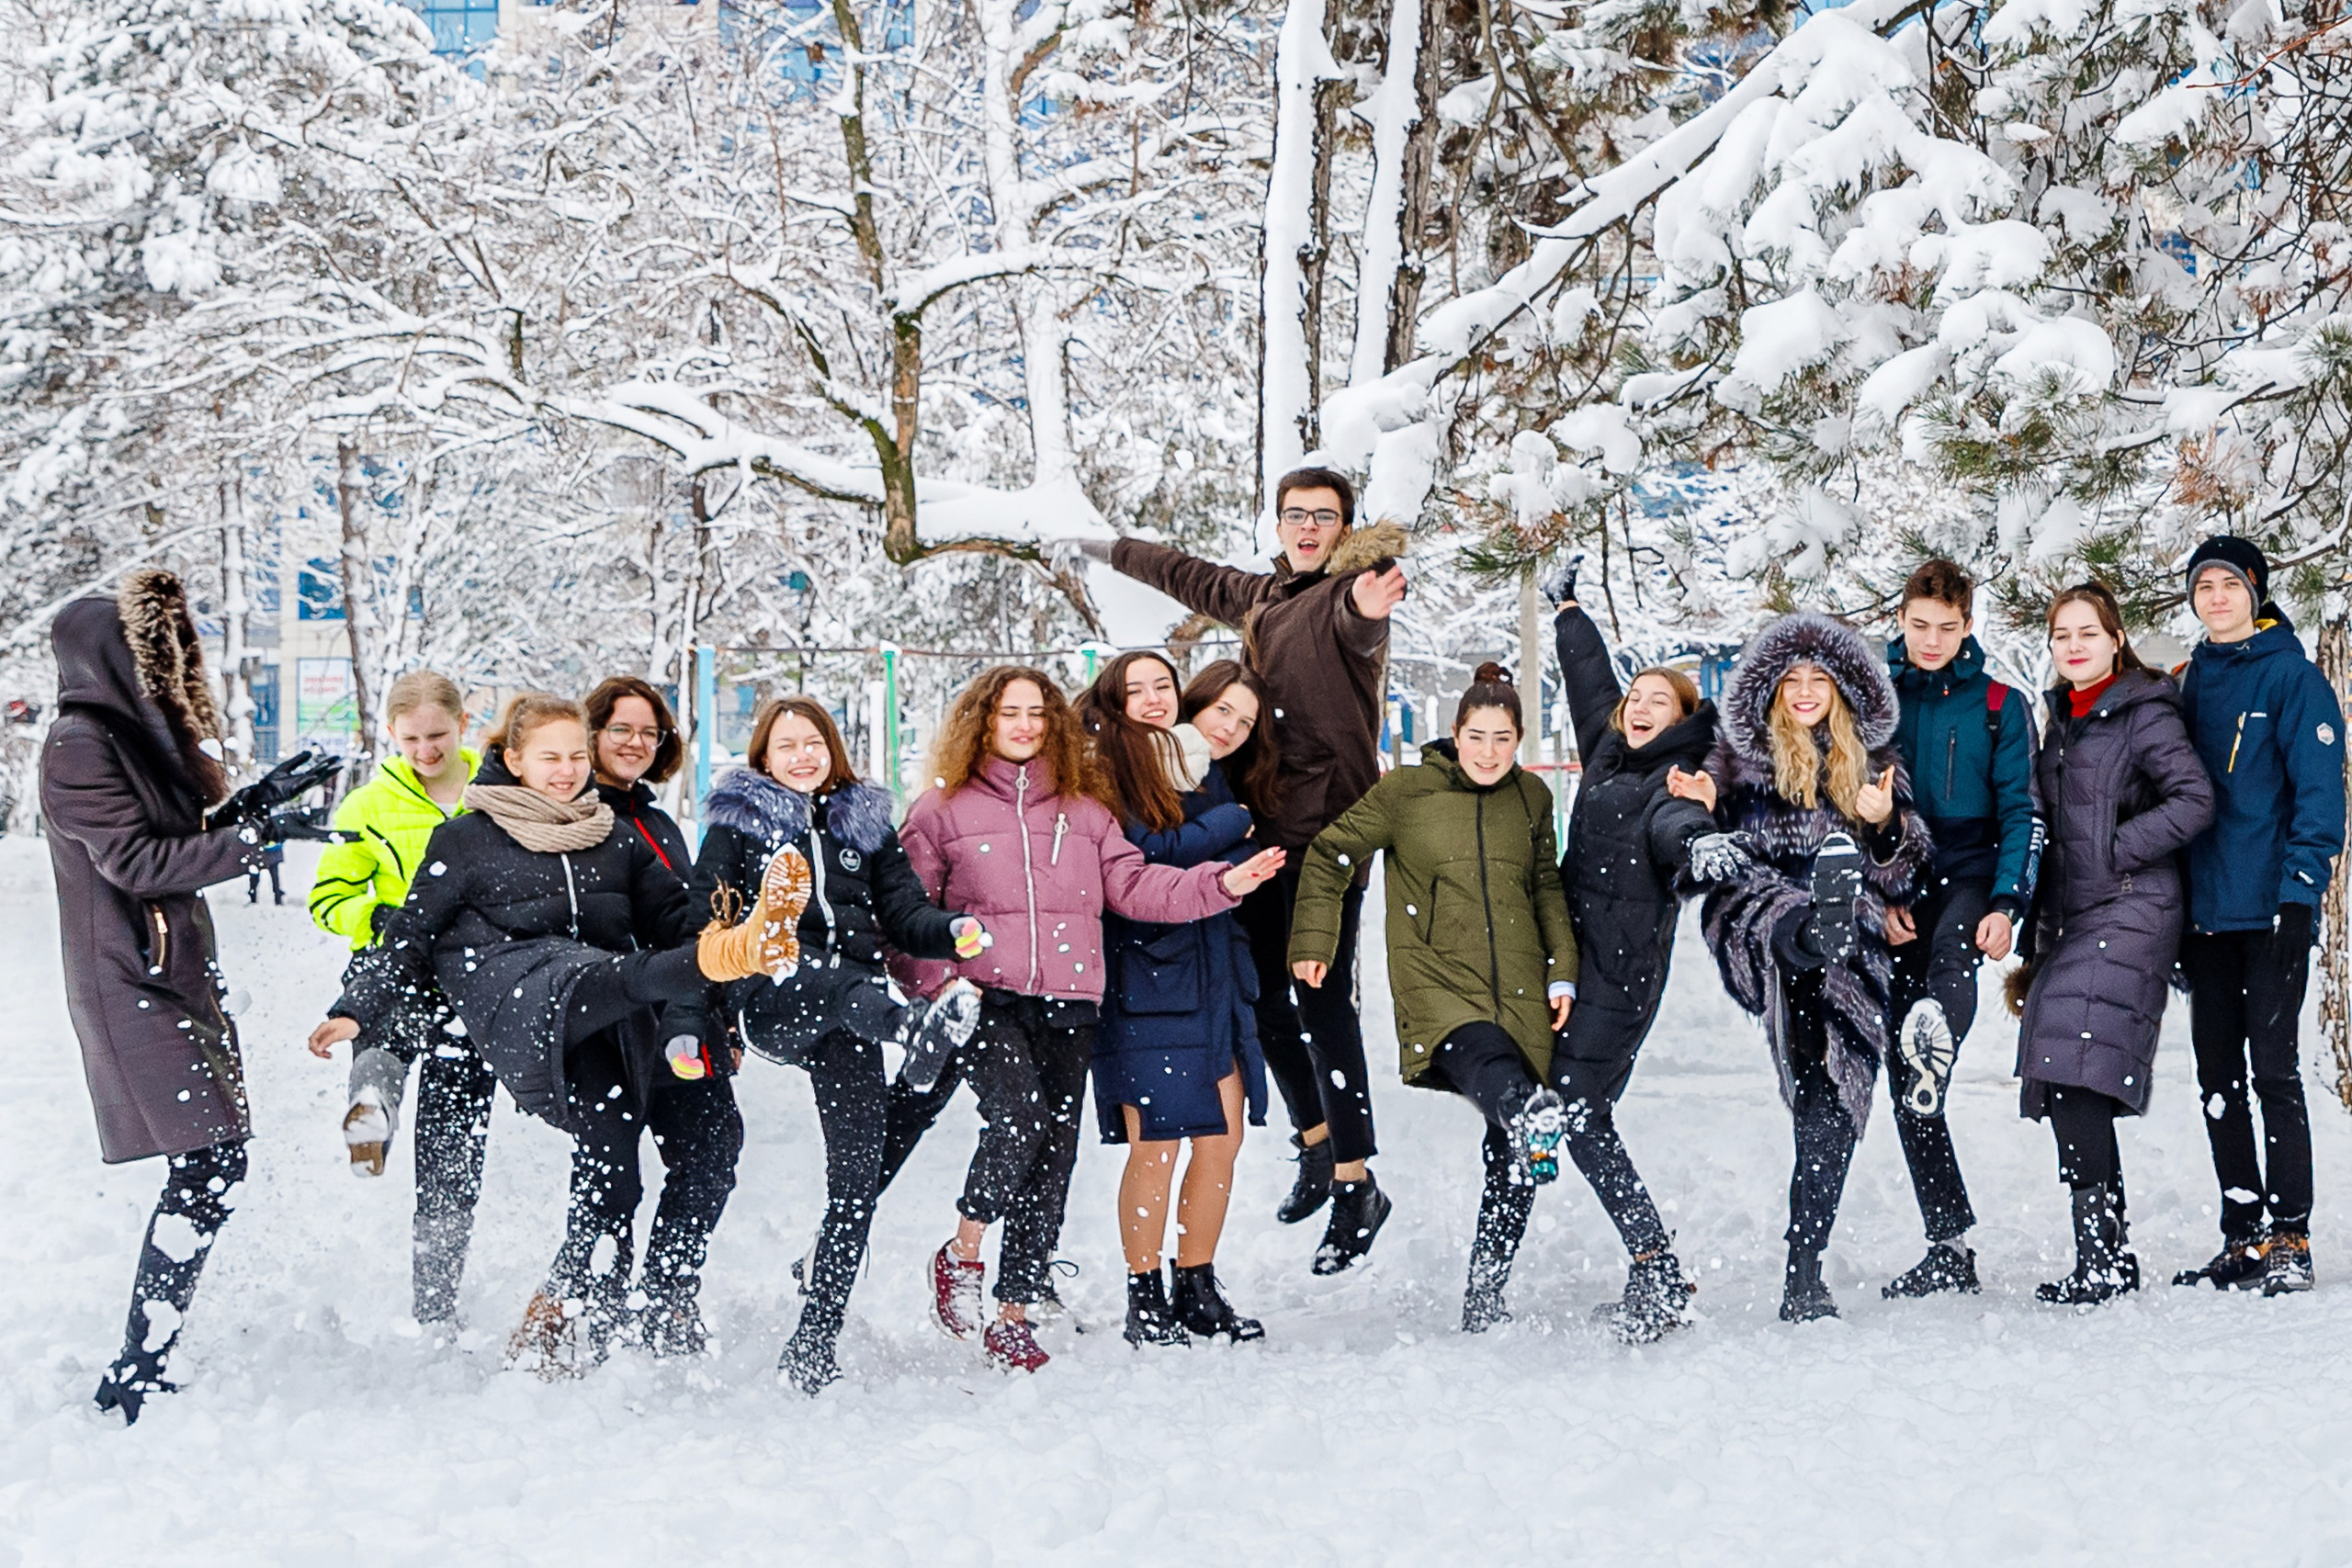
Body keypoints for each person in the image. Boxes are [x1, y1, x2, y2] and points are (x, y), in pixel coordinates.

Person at [309, 693, 804, 1373]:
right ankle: (735, 948)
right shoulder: (467, 839)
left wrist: (720, 996)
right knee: (600, 972)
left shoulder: (615, 836)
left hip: (608, 1013)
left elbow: (673, 919)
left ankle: (586, 1306)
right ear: (513, 760)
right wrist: (358, 1007)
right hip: (524, 1003)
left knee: (641, 1158)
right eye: (550, 757)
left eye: (576, 757)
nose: (568, 770)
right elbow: (410, 939)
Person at [875, 666, 1283, 1372]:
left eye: (1037, 712)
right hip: (983, 996)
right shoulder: (942, 809)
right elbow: (907, 917)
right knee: (1019, 1123)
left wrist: (1220, 881)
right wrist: (937, 988)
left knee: (1053, 1155)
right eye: (1010, 714)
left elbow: (1134, 885)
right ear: (983, 721)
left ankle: (1012, 1314)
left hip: (1069, 997)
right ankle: (963, 1251)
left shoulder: (1084, 809)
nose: (1026, 725)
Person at [1057, 467, 1409, 1268]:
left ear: (1346, 528)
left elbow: (1360, 619)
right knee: (1264, 1005)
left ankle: (1358, 1181)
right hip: (1262, 844)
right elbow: (1186, 575)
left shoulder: (1340, 599)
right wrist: (1105, 546)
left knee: (1320, 1004)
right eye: (1296, 514)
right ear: (1279, 524)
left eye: (1325, 516)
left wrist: (1368, 600)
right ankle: (1319, 1139)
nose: (1309, 526)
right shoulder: (1266, 599)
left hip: (1326, 843)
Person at [41, 571, 338, 1422]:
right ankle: (135, 1371)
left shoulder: (125, 739)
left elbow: (173, 837)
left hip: (166, 971)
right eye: (149, 652)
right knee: (209, 1163)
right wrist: (254, 840)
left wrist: (256, 804)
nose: (166, 665)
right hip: (128, 980)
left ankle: (146, 1358)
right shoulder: (76, 743)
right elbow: (133, 864)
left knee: (211, 1163)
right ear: (111, 659)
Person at [684, 695, 987, 1393]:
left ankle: (817, 1333)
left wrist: (951, 933)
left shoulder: (864, 826)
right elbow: (705, 915)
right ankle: (914, 1029)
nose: (801, 756)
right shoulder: (738, 827)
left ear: (833, 749)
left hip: (853, 1013)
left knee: (855, 1182)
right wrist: (709, 1019)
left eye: (812, 742)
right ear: (762, 758)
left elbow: (905, 913)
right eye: (785, 745)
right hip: (771, 992)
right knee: (823, 972)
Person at [1290, 663, 1578, 1330]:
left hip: (1520, 982)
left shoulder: (1532, 800)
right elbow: (1333, 851)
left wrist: (1562, 969)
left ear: (1519, 739)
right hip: (1436, 976)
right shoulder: (1408, 792)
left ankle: (1487, 1289)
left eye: (1503, 738)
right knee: (1489, 1065)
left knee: (1509, 1151)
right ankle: (1525, 1109)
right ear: (1455, 734)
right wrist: (1315, 938)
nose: (1488, 751)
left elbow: (1545, 888)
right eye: (1477, 736)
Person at [1677, 614, 1932, 1323]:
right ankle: (1810, 923)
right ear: (1773, 688)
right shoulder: (1737, 754)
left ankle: (1804, 1267)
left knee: (1832, 1102)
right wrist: (1700, 810)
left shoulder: (1873, 758)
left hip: (1851, 938)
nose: (1806, 690)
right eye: (1792, 679)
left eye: (1820, 678)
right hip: (1760, 918)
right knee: (1785, 918)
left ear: (1843, 687)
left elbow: (1909, 868)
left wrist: (1881, 827)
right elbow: (1698, 843)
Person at [2013, 584, 2214, 1304]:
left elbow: (2194, 798)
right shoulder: (2060, 721)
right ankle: (2106, 1253)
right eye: (2062, 634)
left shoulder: (2141, 709)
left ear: (2116, 638)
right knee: (2071, 1069)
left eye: (2088, 634)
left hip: (2135, 903)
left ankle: (2101, 1259)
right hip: (2078, 912)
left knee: (2074, 1063)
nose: (2074, 646)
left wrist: (2119, 845)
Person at [1541, 557, 1716, 1340]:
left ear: (1681, 717)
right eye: (1635, 699)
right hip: (1573, 965)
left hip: (1621, 975)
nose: (1640, 707)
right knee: (1572, 1115)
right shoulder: (1611, 751)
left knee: (1579, 1116)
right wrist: (1568, 610)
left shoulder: (1676, 776)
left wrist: (1702, 845)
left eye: (1658, 700)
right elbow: (1588, 680)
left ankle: (1657, 1266)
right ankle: (1653, 1264)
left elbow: (1679, 831)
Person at [1082, 654, 1273, 1347]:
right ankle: (1144, 1294)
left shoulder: (1198, 761)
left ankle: (1196, 1281)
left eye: (1162, 685)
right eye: (1136, 689)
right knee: (1156, 1144)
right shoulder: (1106, 768)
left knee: (1224, 1136)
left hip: (1216, 969)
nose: (1153, 698)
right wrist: (1231, 823)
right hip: (1147, 977)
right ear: (1114, 699)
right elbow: (1147, 854)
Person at [2173, 538, 2346, 1294]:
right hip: (2203, 914)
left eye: (2228, 584)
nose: (2215, 597)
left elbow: (2320, 796)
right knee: (2216, 1076)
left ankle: (2291, 1235)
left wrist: (2300, 894)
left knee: (2273, 1071)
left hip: (2271, 911)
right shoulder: (2188, 682)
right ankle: (2242, 1234)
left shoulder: (2294, 679)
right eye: (2203, 586)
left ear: (2256, 590)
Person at [304, 670, 497, 1328]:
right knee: (384, 1031)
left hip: (473, 975)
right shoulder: (365, 807)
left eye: (438, 735)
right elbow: (327, 899)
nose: (426, 749)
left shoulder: (493, 793)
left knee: (453, 1147)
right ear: (391, 734)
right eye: (411, 738)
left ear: (462, 725)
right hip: (392, 960)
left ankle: (435, 1300)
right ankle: (372, 1110)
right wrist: (378, 916)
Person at [1877, 559, 2040, 1299]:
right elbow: (1848, 797)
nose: (1932, 639)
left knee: (1951, 958)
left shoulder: (2001, 704)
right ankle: (1948, 1244)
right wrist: (1875, 893)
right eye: (1920, 626)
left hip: (1971, 870)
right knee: (1903, 1075)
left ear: (1968, 625)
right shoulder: (1872, 701)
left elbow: (2021, 813)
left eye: (1948, 627)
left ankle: (1937, 1030)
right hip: (1898, 873)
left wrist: (2007, 902)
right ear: (1902, 620)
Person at [244, 837, 284, 903]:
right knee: (274, 875)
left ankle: (253, 895)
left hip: (259, 852)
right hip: (273, 853)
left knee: (255, 874)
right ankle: (277, 896)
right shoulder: (277, 827)